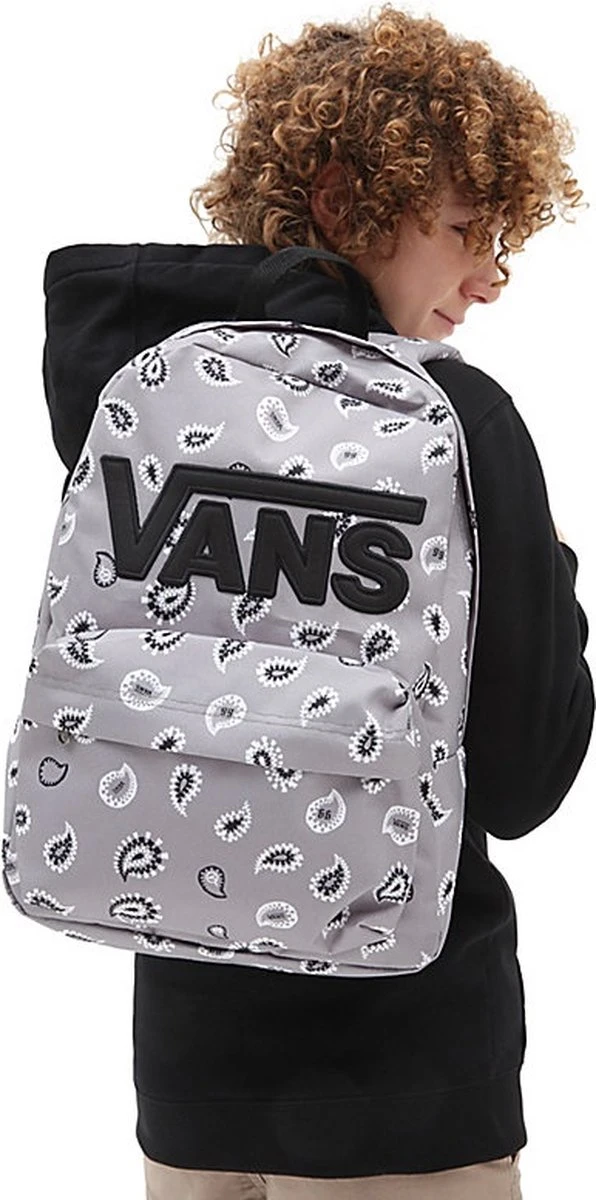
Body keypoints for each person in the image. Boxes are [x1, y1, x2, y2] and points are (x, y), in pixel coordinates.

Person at [39, 6, 593, 1198]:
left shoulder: (147, 396)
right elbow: (520, 779)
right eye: (464, 229)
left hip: (189, 1084)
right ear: (347, 202)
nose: (487, 279)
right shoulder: (456, 423)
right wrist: (550, 574)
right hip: (407, 1085)